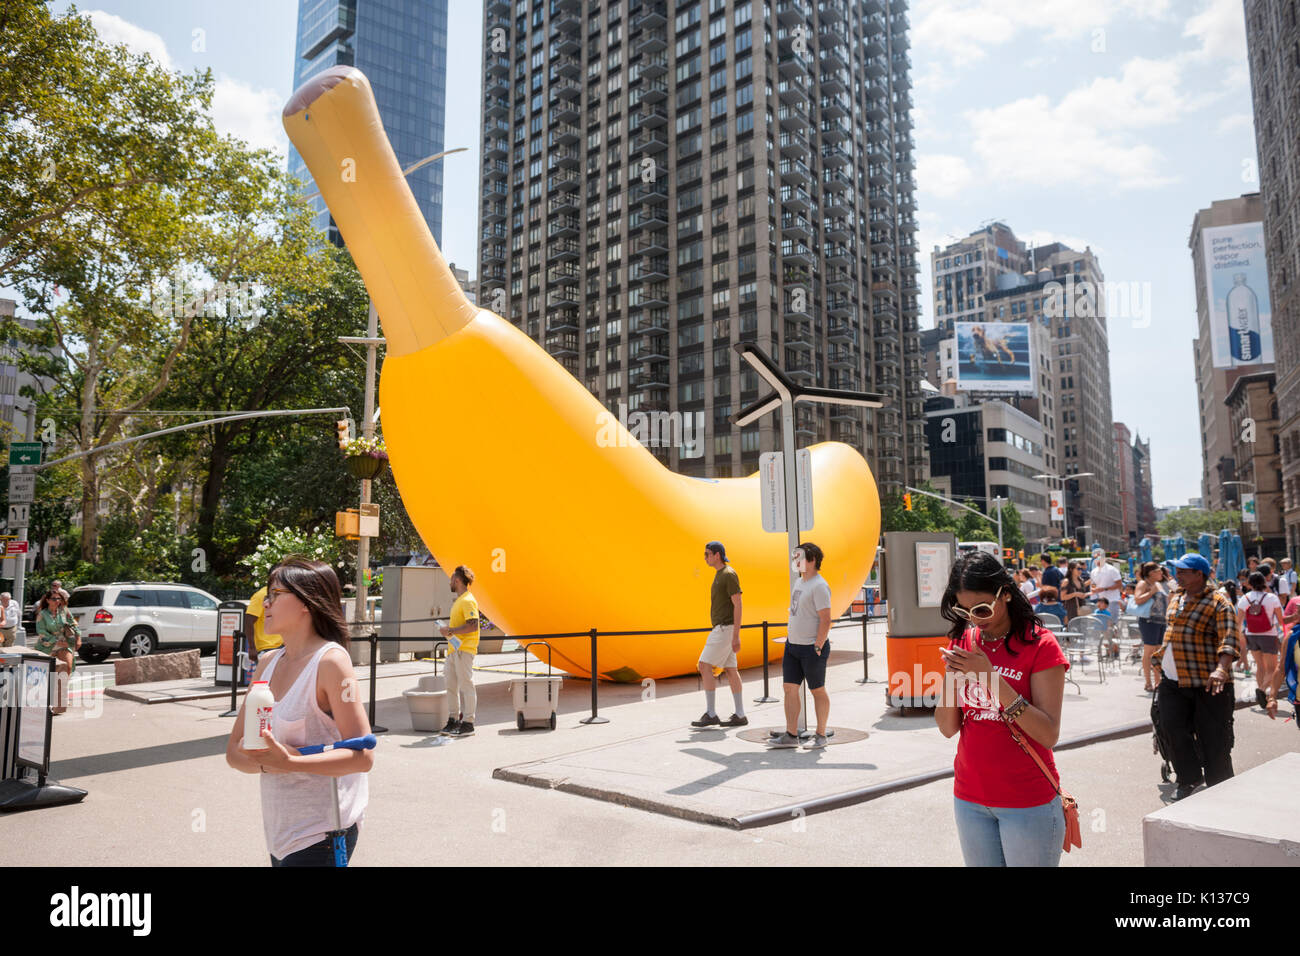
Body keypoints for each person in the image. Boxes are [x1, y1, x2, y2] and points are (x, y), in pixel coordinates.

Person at [225, 557, 373, 866]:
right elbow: (234, 752)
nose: (265, 603)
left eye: (275, 594)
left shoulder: (331, 662)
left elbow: (363, 755)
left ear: (306, 602)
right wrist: (269, 764)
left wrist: (291, 760)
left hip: (324, 832)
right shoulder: (267, 663)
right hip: (280, 833)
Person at [934, 551, 1069, 867]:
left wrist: (991, 679)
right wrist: (951, 680)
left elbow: (1048, 734)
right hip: (969, 797)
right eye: (963, 610)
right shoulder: (963, 641)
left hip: (1028, 800)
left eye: (981, 608)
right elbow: (947, 728)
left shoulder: (1041, 646)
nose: (973, 618)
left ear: (1006, 593)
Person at [1156, 553, 1240, 800]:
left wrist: (1222, 668)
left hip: (1208, 682)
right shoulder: (1176, 598)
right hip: (1172, 680)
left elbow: (1229, 639)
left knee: (1214, 737)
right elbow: (1171, 635)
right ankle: (1189, 778)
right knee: (1171, 729)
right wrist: (1158, 660)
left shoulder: (1219, 602)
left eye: (1182, 571)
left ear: (1199, 574)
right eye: (1176, 571)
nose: (1176, 575)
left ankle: (1221, 788)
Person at [769, 542, 833, 750]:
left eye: (799, 557)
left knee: (817, 690)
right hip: (793, 646)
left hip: (812, 648)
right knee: (789, 688)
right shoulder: (799, 582)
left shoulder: (819, 585)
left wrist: (818, 645)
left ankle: (821, 735)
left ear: (812, 560)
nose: (795, 561)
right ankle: (791, 734)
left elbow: (826, 619)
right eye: (794, 557)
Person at [691, 541, 746, 728]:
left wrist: (736, 635)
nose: (705, 557)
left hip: (724, 628)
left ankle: (711, 713)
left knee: (704, 665)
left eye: (707, 554)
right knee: (731, 670)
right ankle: (740, 714)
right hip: (724, 628)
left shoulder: (728, 575)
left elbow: (738, 604)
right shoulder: (720, 575)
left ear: (717, 555)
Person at [437, 565, 480, 737]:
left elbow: (473, 625)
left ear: (457, 580)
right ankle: (453, 719)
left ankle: (468, 722)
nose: (450, 582)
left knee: (466, 684)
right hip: (454, 650)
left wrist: (451, 631)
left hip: (464, 650)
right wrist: (450, 631)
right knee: (451, 686)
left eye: (451, 579)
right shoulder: (461, 600)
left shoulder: (468, 600)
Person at [1237, 570, 1284, 710]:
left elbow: (1238, 622)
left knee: (1260, 667)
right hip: (1268, 635)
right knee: (1273, 668)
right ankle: (1263, 690)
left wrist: (1239, 637)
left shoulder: (1244, 598)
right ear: (1264, 583)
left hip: (1251, 635)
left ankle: (1261, 696)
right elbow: (1281, 620)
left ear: (1250, 584)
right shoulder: (1272, 598)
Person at [34, 590, 80, 715]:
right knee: (48, 674)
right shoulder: (42, 614)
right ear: (48, 600)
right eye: (54, 599)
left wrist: (78, 637)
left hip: (64, 644)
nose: (57, 601)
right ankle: (46, 699)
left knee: (67, 668)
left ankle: (60, 701)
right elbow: (41, 631)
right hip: (47, 646)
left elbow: (74, 624)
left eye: (59, 599)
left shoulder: (64, 611)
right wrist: (56, 641)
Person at [1131, 561, 1169, 692]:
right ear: (1151, 573)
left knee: (1158, 652)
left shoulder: (1161, 583)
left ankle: (1158, 682)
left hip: (1162, 621)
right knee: (1149, 652)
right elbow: (1137, 599)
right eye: (1159, 571)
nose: (1161, 573)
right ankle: (1148, 682)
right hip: (1148, 621)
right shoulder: (1143, 583)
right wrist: (1151, 592)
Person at [243, 585, 284, 668]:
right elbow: (248, 620)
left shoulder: (282, 593)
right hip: (267, 647)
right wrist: (252, 648)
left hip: (282, 646)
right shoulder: (260, 595)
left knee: (278, 679)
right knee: (263, 678)